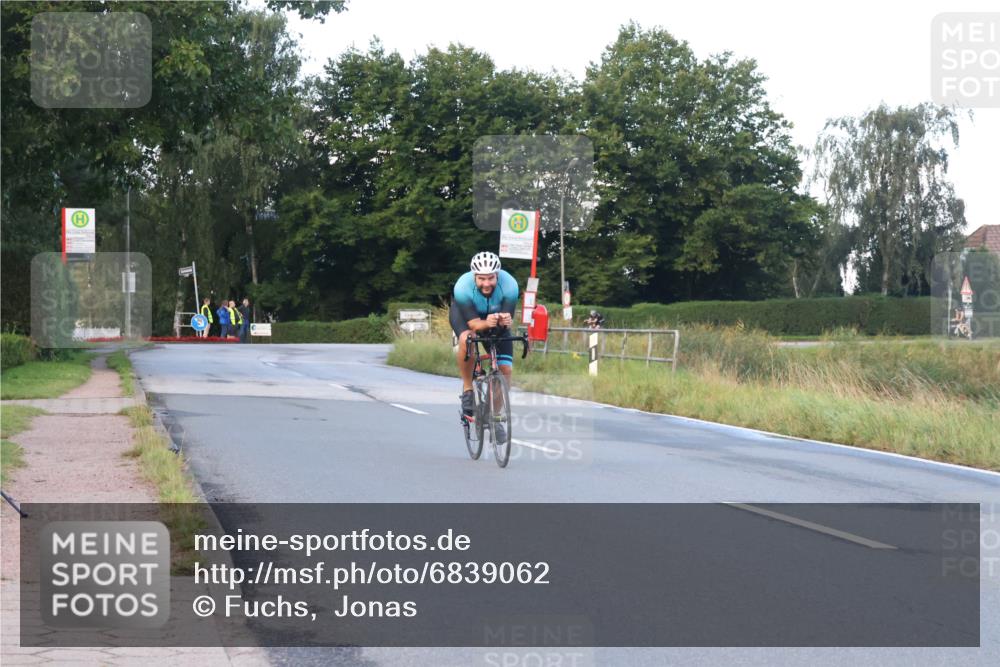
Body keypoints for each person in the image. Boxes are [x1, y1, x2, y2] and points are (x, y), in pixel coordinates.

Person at [450, 251, 519, 442]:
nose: (486, 283)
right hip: (467, 318)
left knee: (505, 369)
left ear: (498, 275)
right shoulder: (463, 287)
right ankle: (467, 389)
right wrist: (486, 322)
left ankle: (494, 417)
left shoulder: (510, 286)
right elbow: (474, 324)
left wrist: (505, 320)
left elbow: (505, 323)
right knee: (467, 338)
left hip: (493, 320)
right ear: (474, 277)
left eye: (491, 278)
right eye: (481, 279)